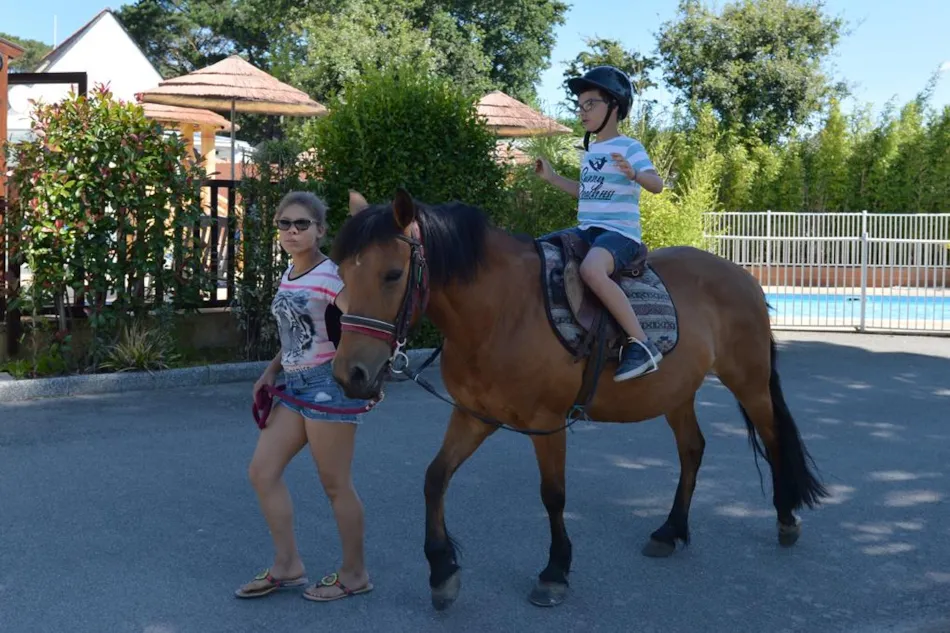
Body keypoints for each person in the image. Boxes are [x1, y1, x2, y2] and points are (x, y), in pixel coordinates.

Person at [234, 191, 375, 602]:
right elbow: (295, 332)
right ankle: (288, 565)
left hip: (327, 386)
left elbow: (362, 323)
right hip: (294, 386)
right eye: (285, 224)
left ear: (320, 230)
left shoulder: (332, 276)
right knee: (262, 472)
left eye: (302, 224)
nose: (292, 231)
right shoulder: (291, 273)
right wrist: (271, 371)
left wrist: (364, 374)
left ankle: (355, 574)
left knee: (335, 484)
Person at [535, 65, 666, 381]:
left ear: (614, 106)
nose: (582, 111)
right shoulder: (592, 150)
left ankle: (642, 344)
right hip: (587, 231)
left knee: (591, 270)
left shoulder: (630, 147)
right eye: (580, 105)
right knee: (537, 251)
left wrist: (635, 174)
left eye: (590, 104)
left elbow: (657, 184)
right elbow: (586, 192)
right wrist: (552, 178)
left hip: (619, 234)